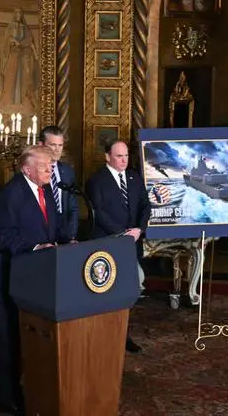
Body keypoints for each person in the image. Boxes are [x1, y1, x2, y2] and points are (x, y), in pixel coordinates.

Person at [0, 145, 68, 416]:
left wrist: (66, 241)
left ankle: (32, 390)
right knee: (9, 341)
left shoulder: (46, 190)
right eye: (44, 166)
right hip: (10, 279)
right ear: (26, 169)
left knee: (30, 339)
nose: (49, 170)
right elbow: (0, 235)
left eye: (50, 165)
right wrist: (33, 248)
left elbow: (51, 228)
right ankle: (7, 397)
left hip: (37, 279)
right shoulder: (11, 194)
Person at [84, 139, 149, 353]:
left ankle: (123, 332)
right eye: (119, 156)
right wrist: (122, 234)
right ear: (107, 157)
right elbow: (99, 213)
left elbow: (145, 205)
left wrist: (139, 229)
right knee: (110, 290)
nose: (124, 160)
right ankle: (106, 332)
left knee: (132, 285)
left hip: (133, 242)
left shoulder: (134, 178)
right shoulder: (96, 181)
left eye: (126, 156)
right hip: (109, 244)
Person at [38, 125, 79, 242]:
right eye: (53, 145)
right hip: (42, 233)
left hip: (64, 233)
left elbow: (73, 207)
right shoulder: (35, 171)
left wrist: (71, 236)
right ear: (41, 145)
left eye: (60, 145)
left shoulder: (67, 171)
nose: (57, 150)